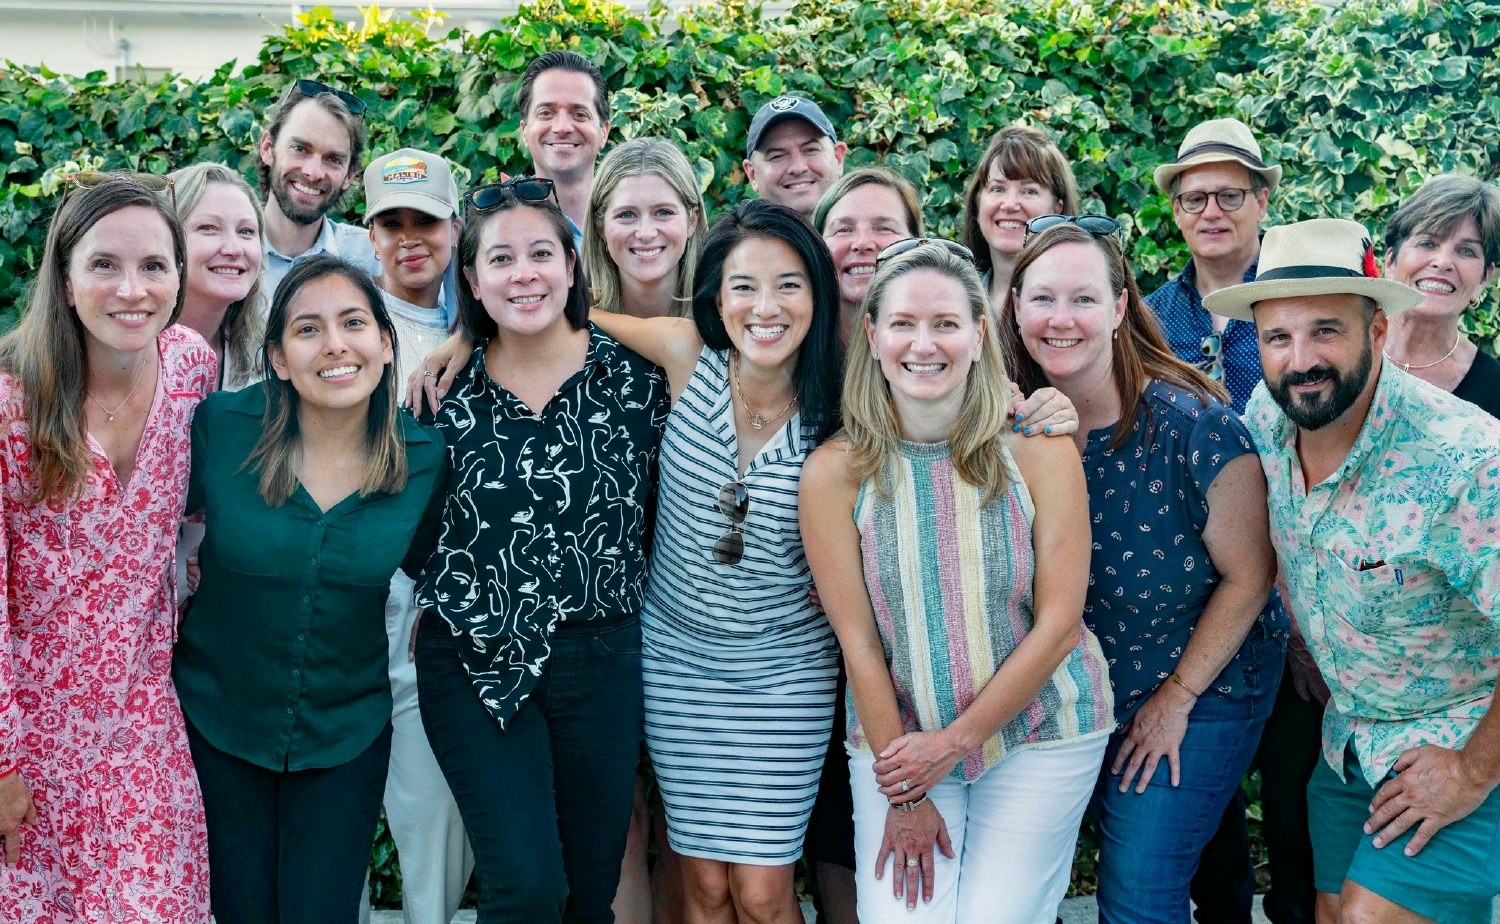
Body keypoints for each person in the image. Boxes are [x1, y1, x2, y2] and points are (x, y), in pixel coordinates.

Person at [800, 241, 1114, 923]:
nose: (924, 343)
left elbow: (1060, 622)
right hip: (901, 735)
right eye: (904, 324)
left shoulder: (1037, 451)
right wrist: (907, 795)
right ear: (874, 336)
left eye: (946, 323)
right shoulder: (835, 472)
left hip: (1040, 728)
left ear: (978, 336)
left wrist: (958, 742)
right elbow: (858, 644)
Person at [1203, 217, 1500, 924]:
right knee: (1330, 914)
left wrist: (1472, 773)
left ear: (1375, 332)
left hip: (1462, 739)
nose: (1301, 359)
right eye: (1278, 338)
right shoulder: (1267, 423)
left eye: (1325, 331)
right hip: (1351, 743)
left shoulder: (1465, 460)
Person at [998, 218, 1283, 924]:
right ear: (1014, 309)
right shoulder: (1005, 424)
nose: (1061, 320)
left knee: (1138, 890)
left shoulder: (1194, 424)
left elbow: (1251, 576)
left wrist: (1177, 698)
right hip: (1085, 684)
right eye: (1042, 300)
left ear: (1121, 307)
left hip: (1206, 677)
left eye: (1084, 299)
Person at [410, 176, 668, 923]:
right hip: (472, 657)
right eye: (501, 260)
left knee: (588, 895)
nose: (523, 273)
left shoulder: (638, 381)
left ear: (570, 265)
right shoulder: (437, 395)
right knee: (525, 888)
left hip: (603, 658)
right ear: (473, 280)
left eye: (541, 254)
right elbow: (403, 531)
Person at [175, 255, 446, 923]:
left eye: (354, 323)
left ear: (386, 342)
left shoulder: (424, 460)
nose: (334, 345)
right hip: (216, 722)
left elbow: (437, 571)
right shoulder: (220, 428)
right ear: (278, 357)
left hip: (344, 733)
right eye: (307, 329)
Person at [0, 172, 214, 919]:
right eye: (104, 265)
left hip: (143, 733)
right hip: (27, 741)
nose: (133, 289)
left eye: (155, 266)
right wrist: (4, 767)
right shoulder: (8, 403)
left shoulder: (190, 366)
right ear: (63, 280)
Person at [1147, 118, 1313, 924]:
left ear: (1262, 201)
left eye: (1231, 194)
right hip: (1191, 608)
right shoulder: (1144, 320)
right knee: (1203, 826)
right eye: (1195, 195)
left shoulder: (1299, 318)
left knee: (1293, 810)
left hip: (1295, 600)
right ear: (1176, 210)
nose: (1212, 210)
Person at [358, 147, 474, 924]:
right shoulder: (341, 315)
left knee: (434, 818)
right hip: (354, 596)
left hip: (437, 604)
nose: (410, 240)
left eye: (425, 222)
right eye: (391, 224)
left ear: (456, 227)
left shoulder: (487, 317)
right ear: (368, 234)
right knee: (333, 827)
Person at [1380, 173, 1500, 416]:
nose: (1443, 262)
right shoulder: (1341, 352)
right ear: (1391, 261)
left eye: (1466, 251)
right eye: (1427, 243)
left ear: (1483, 278)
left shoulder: (1495, 390)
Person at [258, 78, 380, 296]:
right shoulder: (227, 255)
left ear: (349, 175)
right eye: (299, 148)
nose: (313, 173)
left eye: (333, 159)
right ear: (268, 148)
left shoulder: (374, 259)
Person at [169, 162, 268, 390]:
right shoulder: (129, 350)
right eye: (208, 228)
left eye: (246, 232)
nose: (234, 249)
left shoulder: (267, 351)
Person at [584, 136, 705, 319]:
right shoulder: (568, 325)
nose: (646, 234)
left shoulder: (725, 320)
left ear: (692, 221)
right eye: (626, 215)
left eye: (663, 212)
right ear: (599, 226)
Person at [960, 124, 1080, 309]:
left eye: (1029, 191)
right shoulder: (958, 300)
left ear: (1057, 209)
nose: (1009, 204)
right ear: (977, 203)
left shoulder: (1079, 303)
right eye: (998, 189)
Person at [813, 165, 926, 338]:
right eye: (843, 230)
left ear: (917, 243)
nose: (862, 243)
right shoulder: (789, 354)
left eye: (884, 228)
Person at [518, 50, 612, 238]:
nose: (562, 127)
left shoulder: (631, 227)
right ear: (525, 131)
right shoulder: (494, 226)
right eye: (546, 113)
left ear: (604, 132)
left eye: (579, 114)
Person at [743, 95, 847, 219]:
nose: (798, 168)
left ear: (838, 158)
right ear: (752, 175)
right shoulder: (732, 238)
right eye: (777, 156)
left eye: (810, 150)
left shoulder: (871, 236)